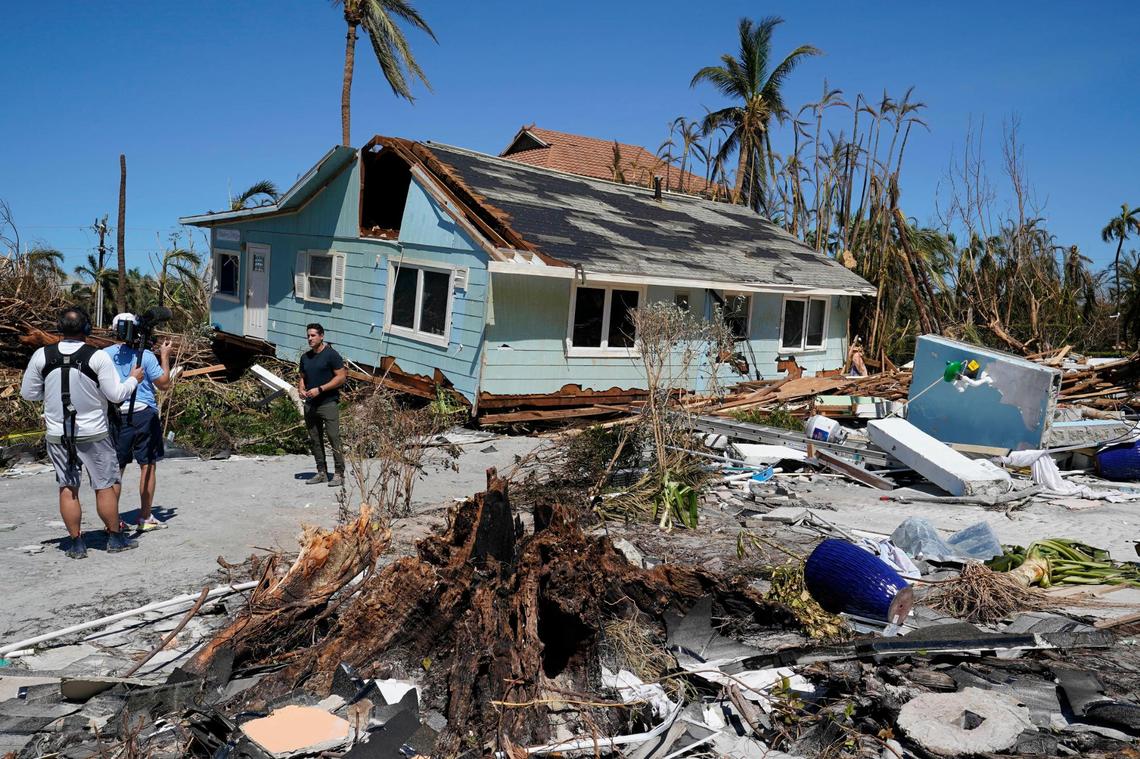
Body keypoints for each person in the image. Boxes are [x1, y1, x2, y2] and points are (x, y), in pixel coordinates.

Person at [20, 306, 145, 558]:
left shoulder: (41, 356)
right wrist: (134, 379)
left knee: (68, 487)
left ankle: (76, 543)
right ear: (87, 329)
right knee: (104, 486)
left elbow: (29, 393)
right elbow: (116, 395)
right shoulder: (97, 357)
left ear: (59, 328)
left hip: (58, 432)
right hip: (94, 432)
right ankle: (114, 538)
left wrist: (53, 394)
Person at [104, 313, 173, 531]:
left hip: (116, 415)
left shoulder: (104, 355)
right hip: (144, 415)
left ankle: (113, 521)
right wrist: (164, 356)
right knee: (148, 466)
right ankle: (145, 517)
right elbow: (163, 384)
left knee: (117, 469)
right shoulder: (146, 356)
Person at [298, 323, 347, 487]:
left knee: (333, 437)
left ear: (321, 336)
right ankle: (322, 472)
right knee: (315, 439)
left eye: (313, 335)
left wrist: (321, 389)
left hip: (328, 402)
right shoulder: (305, 357)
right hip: (310, 404)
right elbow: (302, 377)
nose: (310, 339)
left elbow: (341, 377)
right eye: (308, 336)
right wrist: (301, 389)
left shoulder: (331, 355)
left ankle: (339, 473)